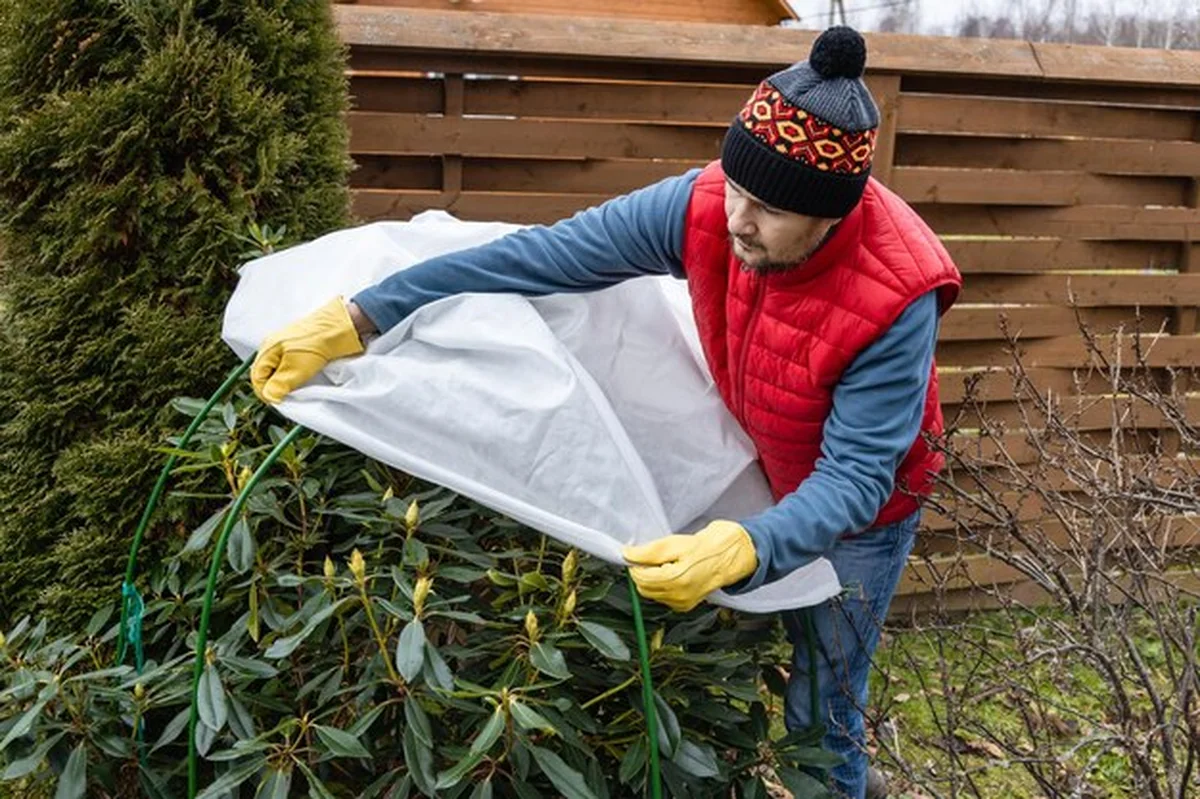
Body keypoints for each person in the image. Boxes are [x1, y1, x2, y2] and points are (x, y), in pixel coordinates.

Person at [250, 25, 961, 799]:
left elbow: (857, 475)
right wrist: (367, 314)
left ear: (830, 215)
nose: (737, 220)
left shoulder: (896, 292)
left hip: (864, 513)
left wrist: (747, 546)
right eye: (736, 188)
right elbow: (540, 257)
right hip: (765, 464)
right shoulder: (701, 207)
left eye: (767, 209)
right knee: (753, 679)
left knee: (819, 719)